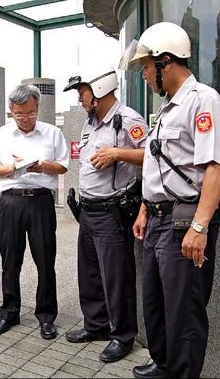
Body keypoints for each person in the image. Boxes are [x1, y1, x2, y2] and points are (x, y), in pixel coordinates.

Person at [121, 22, 220, 378]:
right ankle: (163, 364)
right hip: (156, 220)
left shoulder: (202, 101)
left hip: (183, 221)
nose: (145, 76)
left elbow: (215, 167)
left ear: (166, 61)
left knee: (183, 312)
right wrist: (142, 210)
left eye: (147, 67)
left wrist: (199, 227)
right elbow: (156, 166)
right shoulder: (168, 108)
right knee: (155, 303)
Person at [63, 65, 148, 363]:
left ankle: (123, 336)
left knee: (117, 278)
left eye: (82, 93)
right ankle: (96, 325)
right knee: (90, 274)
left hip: (112, 213)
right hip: (88, 211)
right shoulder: (91, 122)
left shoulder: (127, 120)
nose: (80, 100)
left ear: (99, 91)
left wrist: (117, 153)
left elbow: (153, 155)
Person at [0, 84, 69, 340]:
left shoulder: (52, 133)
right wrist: (13, 167)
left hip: (41, 202)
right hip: (11, 202)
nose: (25, 119)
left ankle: (46, 316)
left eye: (30, 113)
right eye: (19, 114)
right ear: (11, 111)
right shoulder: (1, 134)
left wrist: (42, 166)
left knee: (45, 260)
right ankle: (9, 312)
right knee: (10, 260)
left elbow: (63, 166)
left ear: (38, 108)